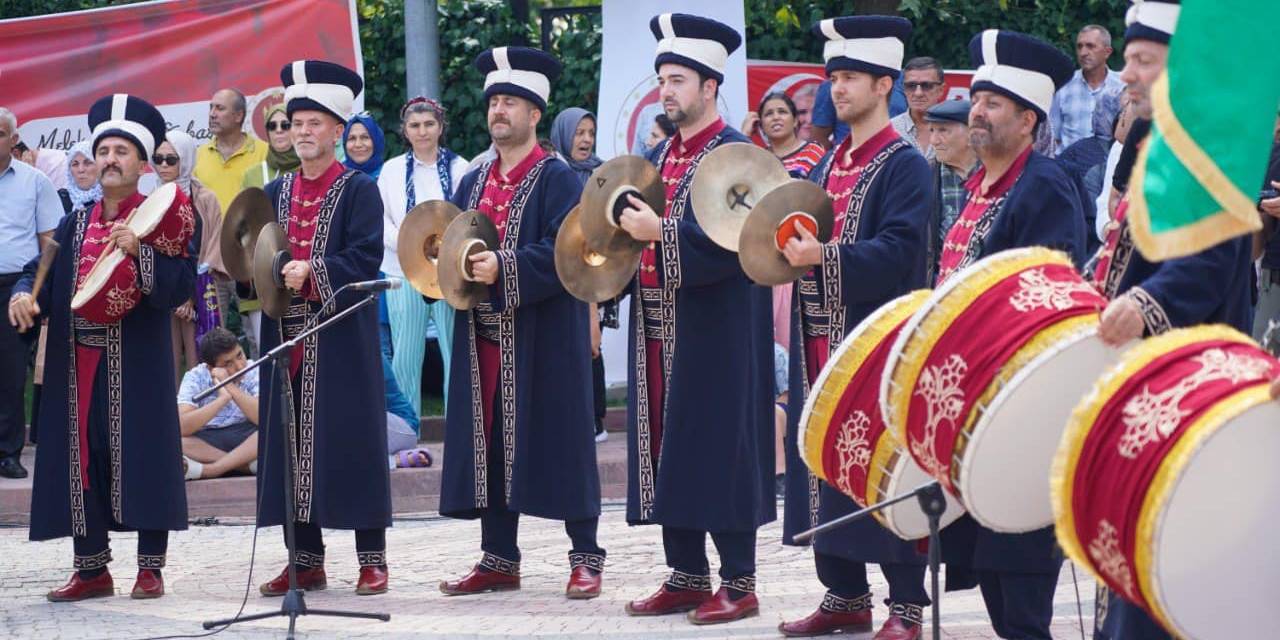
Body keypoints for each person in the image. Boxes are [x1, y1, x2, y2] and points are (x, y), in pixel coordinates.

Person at [1091, 5, 1250, 636]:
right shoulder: (1161, 143)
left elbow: (1208, 265)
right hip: (1145, 378)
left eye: (1142, 62)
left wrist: (1139, 305)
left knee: (1168, 557)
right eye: (1127, 59)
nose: (1125, 75)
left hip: (1191, 384)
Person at [775, 16, 935, 640]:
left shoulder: (904, 165)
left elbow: (900, 253)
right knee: (820, 465)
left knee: (879, 467)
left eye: (851, 78)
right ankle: (842, 595)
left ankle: (906, 605)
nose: (838, 89)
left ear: (884, 85)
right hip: (818, 342)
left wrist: (822, 256)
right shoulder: (828, 162)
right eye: (834, 76)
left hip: (875, 344)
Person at [616, 13, 774, 625]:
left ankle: (739, 580)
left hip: (719, 324)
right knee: (665, 443)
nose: (666, 90)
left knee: (721, 444)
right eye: (661, 79)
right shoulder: (654, 156)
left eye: (679, 79)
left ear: (710, 86)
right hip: (658, 322)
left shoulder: (740, 156)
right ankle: (684, 574)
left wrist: (662, 233)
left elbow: (744, 242)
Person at [9, 93, 198, 600]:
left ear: (141, 163)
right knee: (83, 460)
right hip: (78, 364)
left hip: (137, 362)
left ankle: (149, 570)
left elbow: (181, 287)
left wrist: (141, 254)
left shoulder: (162, 217)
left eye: (122, 151)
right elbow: (41, 275)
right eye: (104, 150)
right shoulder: (75, 222)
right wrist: (24, 296)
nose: (110, 159)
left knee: (142, 456)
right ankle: (91, 570)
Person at [436, 45, 605, 602]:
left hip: (544, 338)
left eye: (511, 102)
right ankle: (498, 558)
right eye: (493, 102)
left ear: (536, 115)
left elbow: (572, 253)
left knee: (563, 441)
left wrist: (506, 265)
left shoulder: (559, 179)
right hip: (482, 334)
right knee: (488, 442)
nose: (498, 111)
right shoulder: (473, 180)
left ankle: (585, 558)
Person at [933, 30, 1082, 640]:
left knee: (1019, 581)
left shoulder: (1042, 185)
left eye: (994, 103)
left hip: (1020, 411)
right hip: (974, 408)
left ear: (1028, 120)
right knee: (991, 568)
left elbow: (1055, 296)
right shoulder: (976, 186)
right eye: (976, 99)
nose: (977, 111)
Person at [254, 59, 391, 598]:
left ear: (338, 131)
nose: (303, 132)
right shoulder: (274, 192)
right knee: (290, 446)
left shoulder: (359, 189)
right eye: (295, 123)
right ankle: (304, 559)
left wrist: (315, 271)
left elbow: (365, 257)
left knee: (352, 441)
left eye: (315, 124)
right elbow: (254, 253)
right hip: (284, 334)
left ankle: (372, 558)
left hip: (339, 336)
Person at [378, 97, 469, 418]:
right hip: (403, 268)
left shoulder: (461, 168)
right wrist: (410, 245)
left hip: (451, 271)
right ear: (405, 130)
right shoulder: (391, 171)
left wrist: (448, 249)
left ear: (441, 127)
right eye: (415, 125)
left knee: (455, 350)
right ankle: (408, 427)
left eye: (429, 124)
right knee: (405, 352)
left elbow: (468, 217)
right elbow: (382, 219)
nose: (422, 131)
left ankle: (459, 429)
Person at [0, 106, 62, 480]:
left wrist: (38, 291)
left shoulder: (34, 181)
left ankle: (8, 452)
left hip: (14, 288)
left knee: (9, 374)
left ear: (12, 139)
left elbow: (49, 242)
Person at [549, 107, 612, 443]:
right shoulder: (551, 173)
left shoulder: (600, 174)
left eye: (590, 132)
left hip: (593, 269)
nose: (586, 140)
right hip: (556, 271)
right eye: (579, 133)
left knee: (592, 342)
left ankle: (594, 418)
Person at [152, 131, 226, 376]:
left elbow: (215, 243)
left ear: (185, 160)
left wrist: (191, 294)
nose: (163, 165)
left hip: (202, 289)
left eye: (171, 159)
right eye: (158, 158)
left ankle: (207, 411)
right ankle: (170, 414)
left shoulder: (206, 198)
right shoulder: (150, 199)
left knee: (204, 356)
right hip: (164, 292)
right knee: (166, 360)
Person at [238, 103, 301, 357]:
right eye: (272, 126)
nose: (279, 131)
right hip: (263, 273)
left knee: (303, 350)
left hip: (300, 269)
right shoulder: (253, 173)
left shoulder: (307, 169)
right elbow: (242, 225)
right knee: (269, 354)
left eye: (285, 124)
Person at [177, 328, 258, 480]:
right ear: (211, 367)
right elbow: (182, 427)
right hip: (208, 439)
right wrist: (222, 400)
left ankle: (212, 469)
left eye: (240, 355)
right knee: (177, 442)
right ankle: (244, 466)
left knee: (270, 431)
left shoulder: (254, 368)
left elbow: (262, 417)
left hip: (247, 435)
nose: (240, 366)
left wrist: (230, 387)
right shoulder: (195, 376)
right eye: (228, 363)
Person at [924, 99, 978, 280]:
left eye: (943, 131)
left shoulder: (997, 175)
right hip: (939, 285)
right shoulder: (923, 176)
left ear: (972, 135)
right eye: (931, 130)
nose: (933, 141)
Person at [1049, 25, 1125, 153]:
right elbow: (1053, 137)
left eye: (1090, 46)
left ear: (1107, 52)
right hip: (1068, 167)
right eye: (1079, 46)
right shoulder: (1063, 85)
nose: (1083, 53)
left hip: (1109, 167)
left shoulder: (1123, 86)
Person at [194, 88, 268, 211]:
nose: (212, 114)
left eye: (220, 108)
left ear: (239, 116)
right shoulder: (198, 155)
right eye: (211, 107)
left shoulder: (265, 152)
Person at [741, 91, 826, 178]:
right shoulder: (759, 159)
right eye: (769, 114)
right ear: (761, 125)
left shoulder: (812, 151)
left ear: (795, 121)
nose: (776, 117)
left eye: (782, 112)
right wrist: (745, 135)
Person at [890, 56, 945, 160]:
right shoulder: (889, 130)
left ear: (941, 90)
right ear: (904, 89)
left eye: (926, 85)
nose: (918, 93)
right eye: (911, 85)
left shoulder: (956, 130)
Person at [59, 141, 102, 214]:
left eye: (88, 163)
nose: (81, 170)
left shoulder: (111, 199)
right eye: (75, 164)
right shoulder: (61, 200)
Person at [343, 112, 386, 179]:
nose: (358, 144)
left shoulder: (389, 175)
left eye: (365, 137)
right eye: (352, 138)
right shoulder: (335, 176)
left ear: (376, 141)